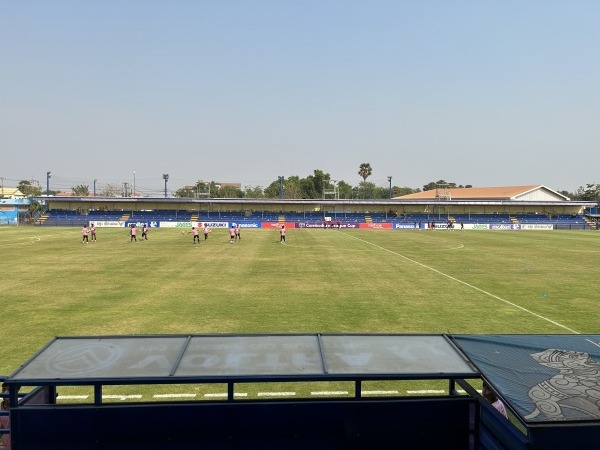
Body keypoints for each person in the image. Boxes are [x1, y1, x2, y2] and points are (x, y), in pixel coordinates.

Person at [1, 382, 11, 449]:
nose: (5, 393)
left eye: (9, 390)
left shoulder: (23, 404)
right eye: (3, 390)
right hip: (7, 446)